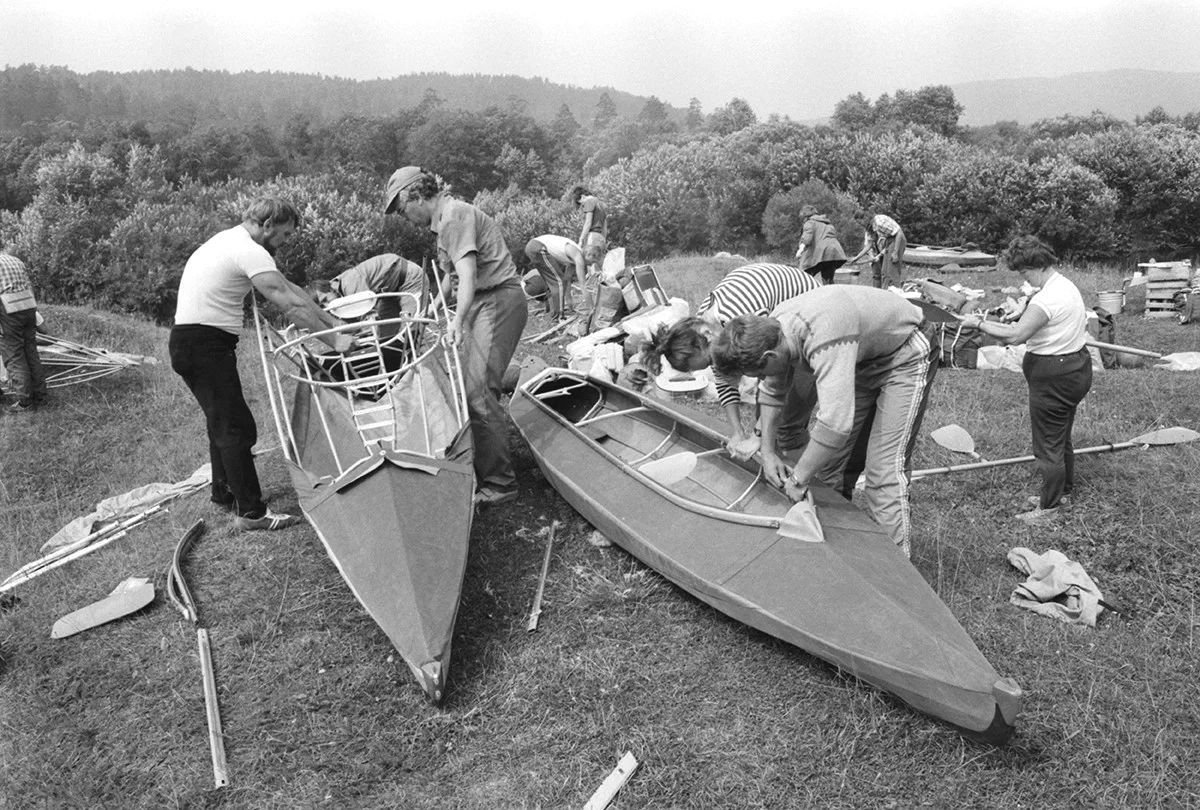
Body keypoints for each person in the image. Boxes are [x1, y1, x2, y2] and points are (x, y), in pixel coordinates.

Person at [710, 285, 940, 559]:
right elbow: (772, 391)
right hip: (863, 358)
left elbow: (834, 424)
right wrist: (768, 452)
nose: (758, 379)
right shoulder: (773, 333)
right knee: (831, 466)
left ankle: (895, 570)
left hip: (906, 352)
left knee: (883, 472)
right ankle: (837, 548)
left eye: (755, 373)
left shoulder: (824, 336)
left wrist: (797, 479)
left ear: (768, 358)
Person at [170, 197, 352, 531]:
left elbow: (293, 289)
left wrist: (334, 325)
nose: (284, 243)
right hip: (203, 344)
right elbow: (289, 305)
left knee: (222, 420)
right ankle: (251, 513)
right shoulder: (249, 250)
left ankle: (225, 493)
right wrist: (336, 342)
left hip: (193, 342)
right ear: (266, 226)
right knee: (236, 427)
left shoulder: (229, 241)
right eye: (283, 235)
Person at [385, 166, 529, 506]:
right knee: (467, 387)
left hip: (497, 300)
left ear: (416, 196)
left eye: (404, 210)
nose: (406, 218)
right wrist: (431, 309)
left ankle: (501, 484)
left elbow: (467, 273)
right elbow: (450, 278)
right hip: (482, 301)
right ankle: (485, 464)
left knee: (478, 391)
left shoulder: (454, 216)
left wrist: (457, 321)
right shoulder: (443, 226)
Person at [959, 236, 1092, 525]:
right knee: (1060, 437)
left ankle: (1049, 508)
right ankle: (1062, 492)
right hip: (1074, 368)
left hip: (1054, 376)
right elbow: (1033, 320)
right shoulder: (1063, 285)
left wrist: (978, 324)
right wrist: (1020, 313)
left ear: (1038, 266)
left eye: (1024, 272)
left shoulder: (1048, 298)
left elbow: (1017, 336)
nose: (1024, 278)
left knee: (1047, 446)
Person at [642, 263, 822, 458]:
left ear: (706, 334)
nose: (714, 366)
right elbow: (725, 381)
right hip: (782, 328)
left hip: (814, 320)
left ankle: (807, 482)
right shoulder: (710, 330)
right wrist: (738, 433)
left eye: (710, 360)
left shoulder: (743, 318)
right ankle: (782, 465)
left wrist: (758, 434)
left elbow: (775, 379)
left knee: (786, 429)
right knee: (767, 425)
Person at [0, 244, 47, 412]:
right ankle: (41, 395)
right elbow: (30, 287)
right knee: (30, 350)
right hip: (28, 306)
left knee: (14, 354)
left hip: (8, 308)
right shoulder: (16, 261)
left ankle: (25, 401)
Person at [523, 234, 585, 321]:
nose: (589, 265)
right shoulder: (577, 254)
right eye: (592, 262)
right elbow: (581, 285)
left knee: (551, 283)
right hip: (538, 247)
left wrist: (569, 301)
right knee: (558, 281)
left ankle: (552, 312)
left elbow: (567, 280)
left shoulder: (572, 260)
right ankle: (559, 316)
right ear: (589, 254)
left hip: (533, 247)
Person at [849, 212, 907, 289]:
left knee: (892, 270)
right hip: (889, 241)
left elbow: (899, 232)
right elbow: (868, 245)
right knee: (884, 272)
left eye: (860, 222)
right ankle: (886, 292)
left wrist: (895, 252)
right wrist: (856, 258)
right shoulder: (870, 228)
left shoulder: (879, 222)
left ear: (865, 218)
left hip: (897, 239)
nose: (861, 225)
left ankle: (896, 292)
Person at [794, 206, 847, 284]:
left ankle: (805, 294)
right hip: (834, 254)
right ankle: (830, 294)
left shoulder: (810, 222)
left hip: (822, 253)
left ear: (805, 216)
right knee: (828, 280)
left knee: (804, 277)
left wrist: (800, 250)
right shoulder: (827, 223)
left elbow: (807, 239)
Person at [572, 185, 608, 277]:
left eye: (581, 203)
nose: (582, 206)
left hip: (592, 236)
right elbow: (605, 225)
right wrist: (603, 239)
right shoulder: (601, 204)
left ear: (583, 197)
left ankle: (589, 287)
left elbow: (588, 223)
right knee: (600, 266)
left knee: (588, 262)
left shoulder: (589, 201)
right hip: (601, 237)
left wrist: (581, 239)